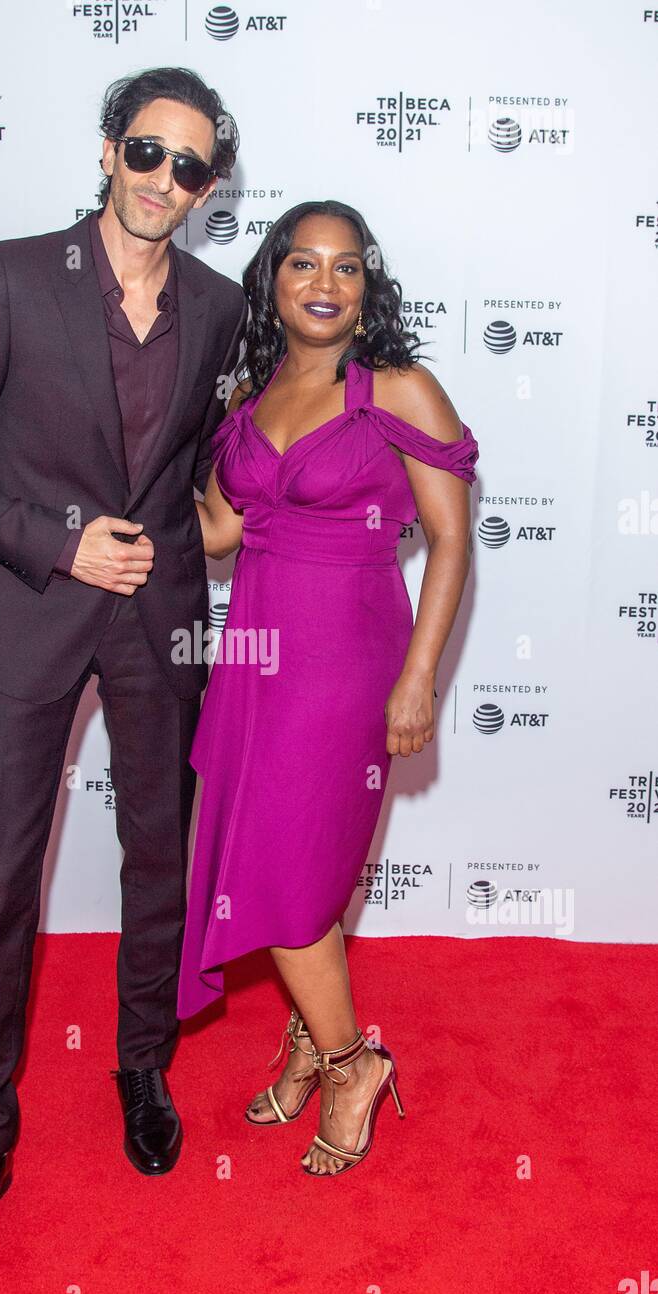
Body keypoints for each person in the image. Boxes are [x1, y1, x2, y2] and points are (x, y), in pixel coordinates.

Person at [0, 66, 247, 1280]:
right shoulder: (4, 276)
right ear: (109, 151)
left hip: (156, 619)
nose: (165, 180)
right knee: (0, 883)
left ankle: (140, 1064)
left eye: (191, 166)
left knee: (160, 850)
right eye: (147, 152)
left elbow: (218, 465)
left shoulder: (215, 307)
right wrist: (58, 540)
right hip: (26, 611)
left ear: (211, 187)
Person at [178, 200, 479, 1176]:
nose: (323, 282)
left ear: (366, 285)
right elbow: (220, 533)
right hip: (256, 652)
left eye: (344, 267)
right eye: (302, 263)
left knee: (290, 863)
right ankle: (316, 1035)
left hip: (346, 654)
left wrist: (418, 676)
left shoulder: (395, 388)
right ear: (271, 279)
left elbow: (449, 539)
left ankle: (351, 1061)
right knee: (278, 860)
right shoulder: (248, 392)